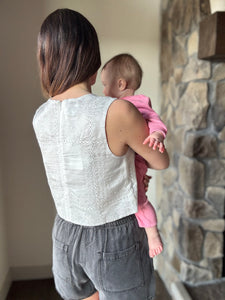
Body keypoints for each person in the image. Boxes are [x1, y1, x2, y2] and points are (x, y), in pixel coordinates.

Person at [33, 9, 169, 300]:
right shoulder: (117, 111)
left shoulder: (40, 116)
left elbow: (81, 166)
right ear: (92, 63)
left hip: (65, 234)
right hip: (113, 237)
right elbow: (160, 161)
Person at [101, 53, 167, 258]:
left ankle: (152, 233)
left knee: (139, 201)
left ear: (120, 84)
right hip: (129, 162)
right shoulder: (118, 108)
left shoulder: (135, 104)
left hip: (136, 161)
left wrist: (157, 134)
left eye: (105, 84)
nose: (103, 91)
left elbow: (155, 120)